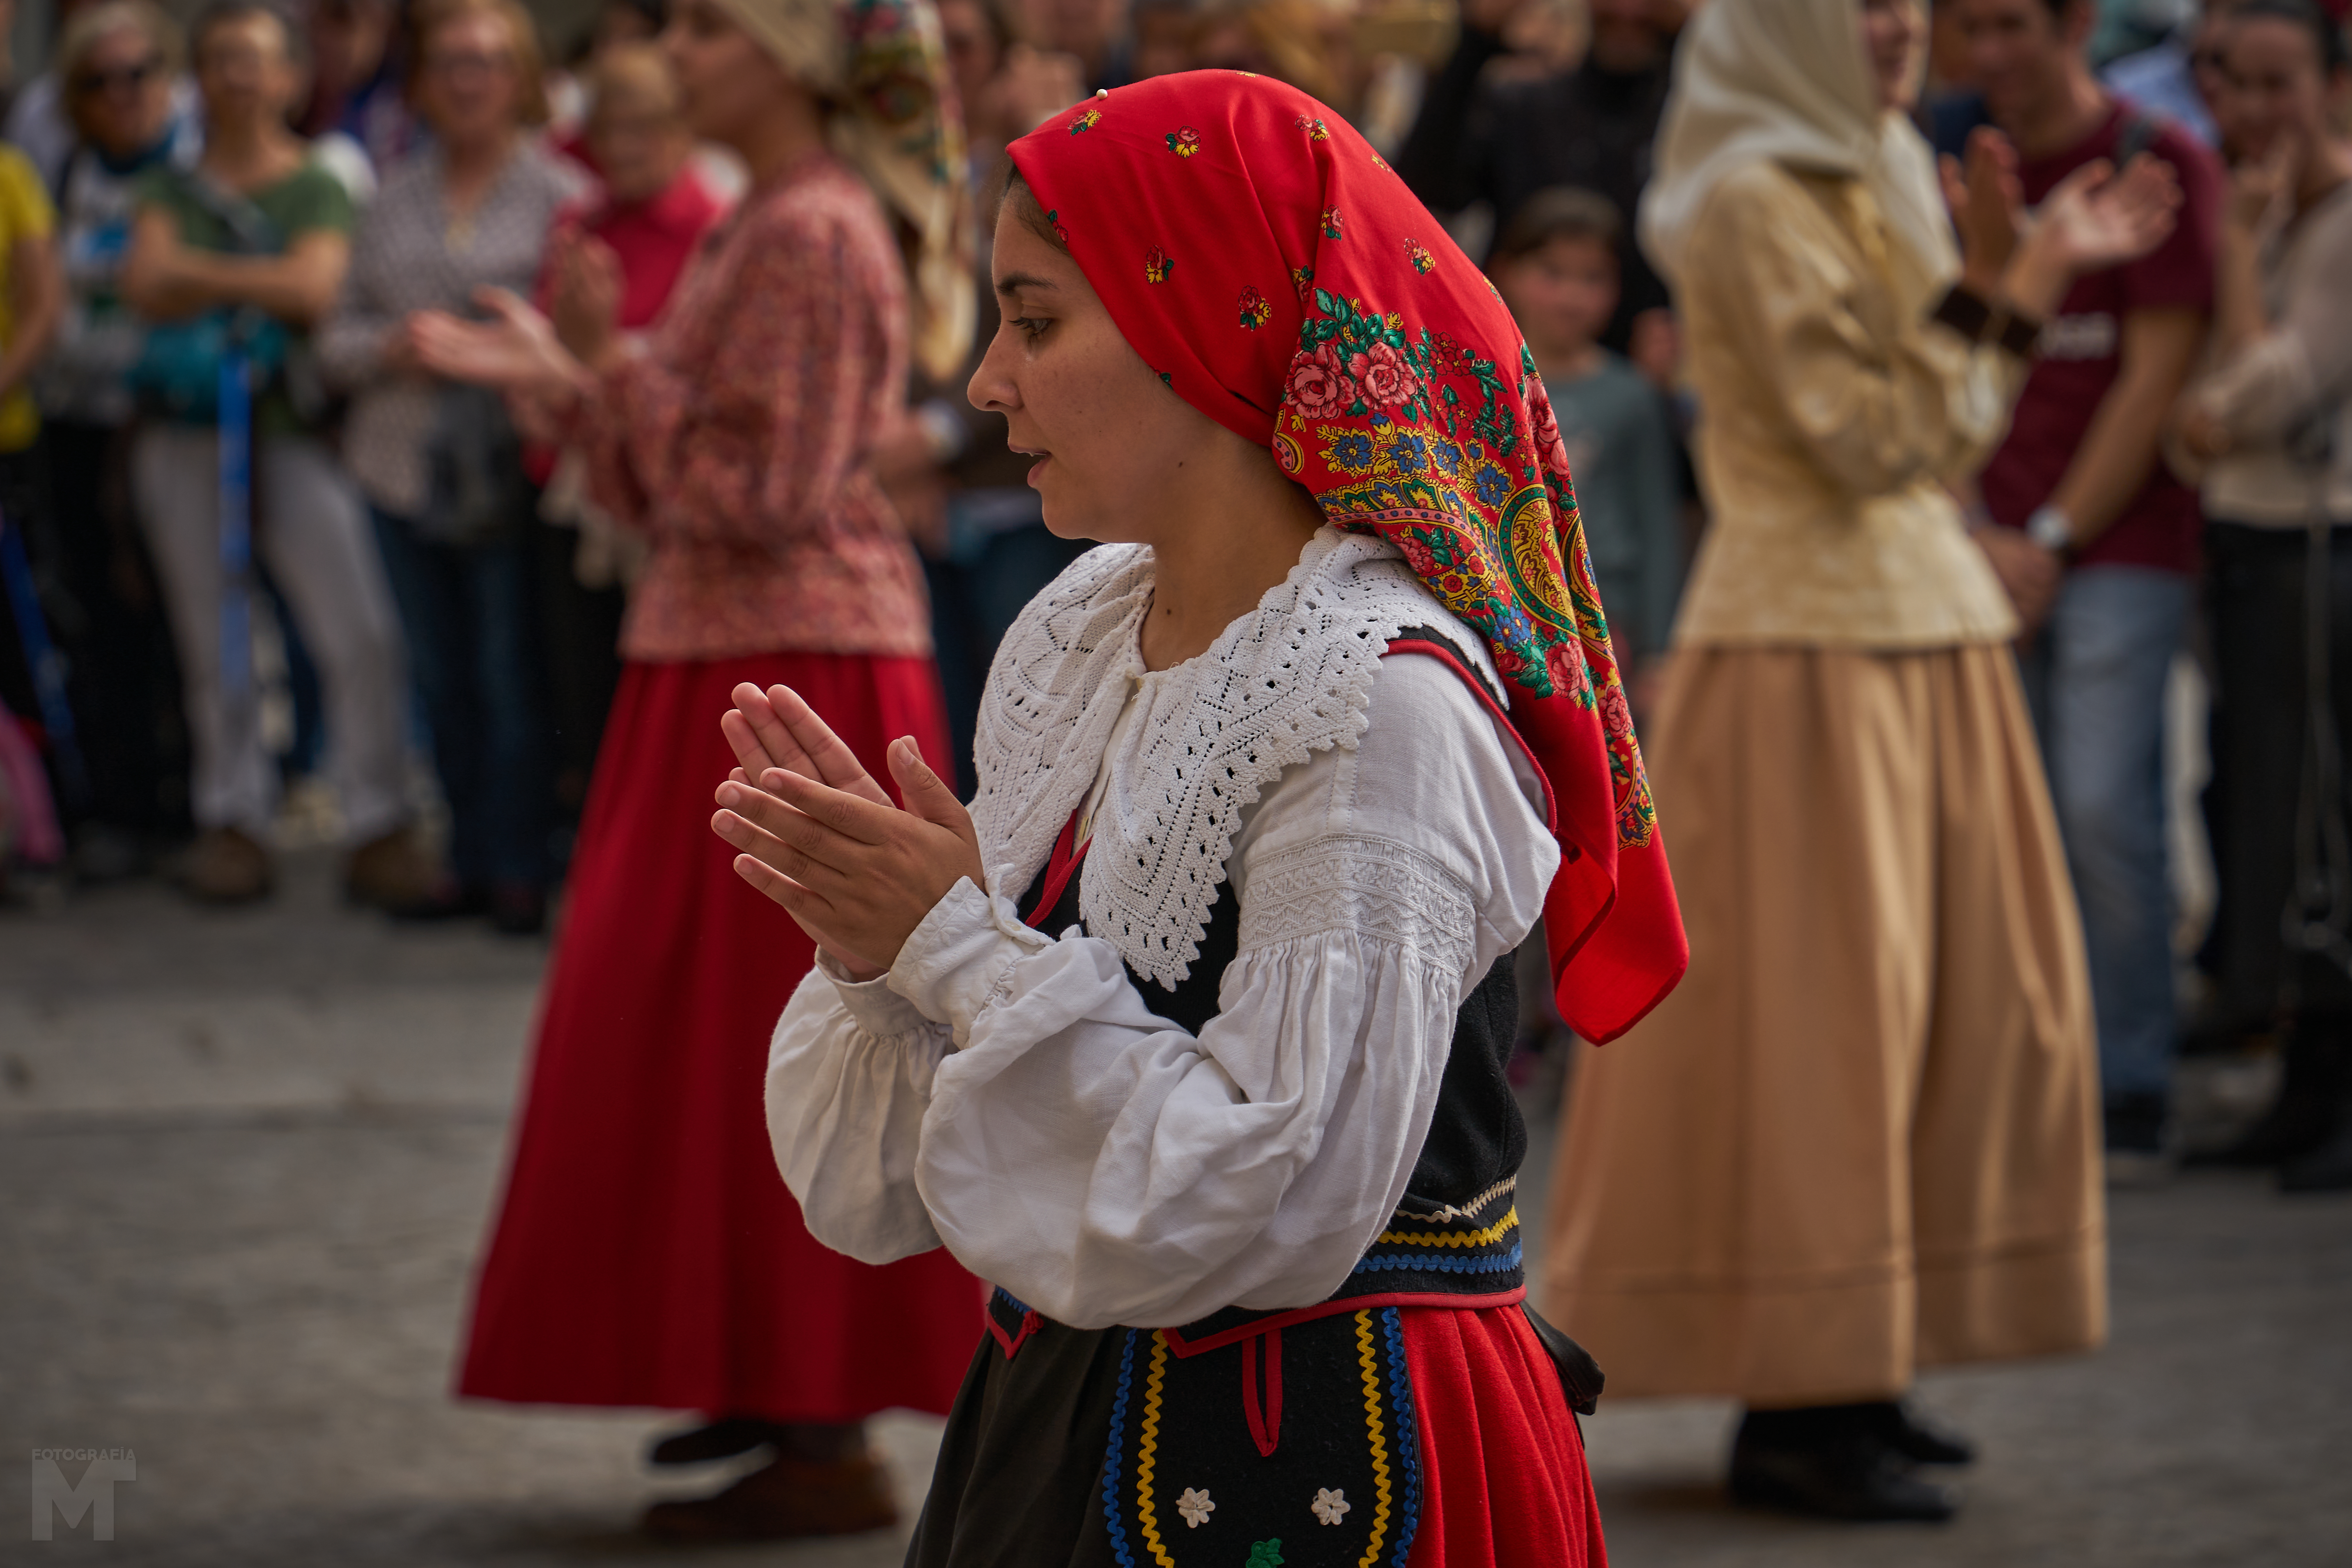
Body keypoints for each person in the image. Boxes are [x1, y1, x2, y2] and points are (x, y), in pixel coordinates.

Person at [728, 69, 1690, 1563]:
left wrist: (952, 951)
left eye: (1036, 321)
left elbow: (1276, 1197)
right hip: (1064, 1414)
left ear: (1213, 322)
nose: (986, 381)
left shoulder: (1375, 703)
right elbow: (889, 1183)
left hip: (1327, 1455)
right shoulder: (1083, 631)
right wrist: (887, 950)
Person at [1540, 0, 2182, 1523]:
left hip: (1907, 631)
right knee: (1823, 1034)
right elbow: (1875, 435)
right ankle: (1800, 1401)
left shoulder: (1872, 159)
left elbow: (1928, 429)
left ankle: (1864, 1368)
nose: (1898, 26)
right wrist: (2018, 281)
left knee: (1922, 1023)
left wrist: (1997, 281)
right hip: (1805, 659)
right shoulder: (1754, 194)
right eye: (1860, 4)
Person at [411, 0, 979, 1540]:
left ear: (792, 55)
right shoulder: (774, 220)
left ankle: (816, 1405)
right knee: (696, 1041)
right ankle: (768, 1377)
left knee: (768, 1032)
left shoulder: (809, 230)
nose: (679, 48)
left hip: (786, 668)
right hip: (732, 657)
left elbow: (766, 490)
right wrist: (592, 380)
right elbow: (691, 477)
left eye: (716, 22)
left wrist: (607, 370)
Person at [1956, 0, 2225, 1175]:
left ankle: (2131, 1082)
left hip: (2115, 540)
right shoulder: (1952, 151)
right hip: (1975, 538)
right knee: (2007, 829)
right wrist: (1977, 528)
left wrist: (2050, 537)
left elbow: (2150, 380)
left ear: (2077, 23)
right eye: (1970, 26)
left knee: (2108, 814)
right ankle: (2036, 1080)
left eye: (2013, 23)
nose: (1990, 53)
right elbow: (1950, 351)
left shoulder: (2162, 163)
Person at [119, 0, 429, 908]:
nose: (238, 77)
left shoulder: (320, 183)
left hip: (294, 434)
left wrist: (201, 278)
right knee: (212, 636)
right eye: (219, 58)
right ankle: (232, 816)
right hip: (185, 435)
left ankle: (378, 814)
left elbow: (315, 288)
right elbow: (146, 282)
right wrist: (260, 281)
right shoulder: (162, 189)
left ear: (293, 77)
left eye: (255, 59)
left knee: (361, 630)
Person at [319, 0, 583, 933]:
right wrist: (390, 344)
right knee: (438, 673)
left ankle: (516, 861)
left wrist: (494, 349)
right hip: (397, 466)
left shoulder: (562, 196)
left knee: (512, 673)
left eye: (487, 61)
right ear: (424, 82)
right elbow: (332, 341)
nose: (468, 80)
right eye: (451, 63)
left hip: (508, 472)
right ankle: (463, 854)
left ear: (519, 78)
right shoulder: (389, 196)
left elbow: (579, 338)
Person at [2174, 0, 2352, 1190]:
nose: (2257, 108)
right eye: (2236, 83)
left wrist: (2237, 256)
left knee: (2322, 839)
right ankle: (2305, 1087)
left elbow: (2260, 395)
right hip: (2254, 544)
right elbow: (2203, 425)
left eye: (2282, 81)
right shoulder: (2280, 211)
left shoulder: (2334, 223)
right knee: (2276, 832)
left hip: (2314, 550)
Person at [528, 41, 726, 844]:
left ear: (682, 126)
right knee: (577, 696)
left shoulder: (716, 223)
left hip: (671, 500)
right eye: (613, 126)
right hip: (576, 488)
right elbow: (557, 344)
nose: (630, 144)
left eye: (647, 123)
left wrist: (602, 360)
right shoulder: (580, 221)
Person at [36, 0, 200, 877]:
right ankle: (124, 799)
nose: (122, 94)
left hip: (166, 420)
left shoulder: (192, 173)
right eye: (98, 82)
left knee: (180, 612)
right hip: (77, 423)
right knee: (101, 616)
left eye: (139, 74)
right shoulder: (64, 171)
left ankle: (194, 799)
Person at [1397, 0, 1686, 365]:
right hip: (1516, 367)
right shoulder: (1527, 108)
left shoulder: (1689, 125)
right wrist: (1478, 36)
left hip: (1649, 378)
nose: (1630, 11)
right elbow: (1428, 191)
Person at [1489, 186, 1684, 675]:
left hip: (1606, 628)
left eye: (1591, 278)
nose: (1572, 296)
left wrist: (1658, 648)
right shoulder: (1484, 383)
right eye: (1552, 273)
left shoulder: (1632, 396)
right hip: (1502, 616)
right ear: (1506, 273)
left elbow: (1656, 524)